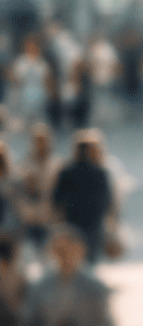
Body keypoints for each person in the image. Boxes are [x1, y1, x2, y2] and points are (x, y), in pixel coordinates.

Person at [50, 130, 114, 265]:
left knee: (74, 261)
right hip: (94, 224)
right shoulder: (100, 172)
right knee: (91, 261)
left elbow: (56, 198)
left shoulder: (67, 172)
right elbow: (107, 201)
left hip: (72, 222)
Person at [17, 123, 60, 261]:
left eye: (43, 140)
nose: (41, 143)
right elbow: (20, 191)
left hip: (50, 218)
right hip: (29, 218)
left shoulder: (57, 165)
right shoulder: (26, 164)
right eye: (37, 140)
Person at [11, 34, 50, 128]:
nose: (31, 49)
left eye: (34, 46)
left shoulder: (42, 64)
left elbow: (46, 81)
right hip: (23, 92)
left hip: (39, 92)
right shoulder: (20, 62)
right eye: (29, 46)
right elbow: (16, 81)